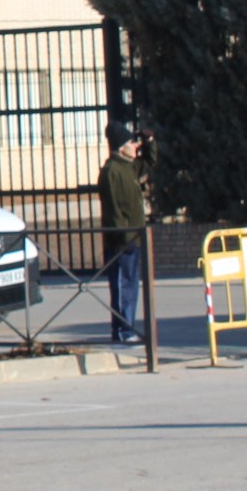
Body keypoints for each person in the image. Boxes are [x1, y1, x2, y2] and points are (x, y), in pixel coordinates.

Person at [99, 120, 147, 345]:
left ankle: (127, 327)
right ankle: (121, 330)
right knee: (121, 285)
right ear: (120, 146)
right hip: (121, 240)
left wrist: (150, 141)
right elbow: (114, 210)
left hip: (133, 237)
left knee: (131, 284)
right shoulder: (111, 171)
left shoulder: (129, 167)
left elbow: (150, 162)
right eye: (131, 142)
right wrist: (123, 236)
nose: (134, 146)